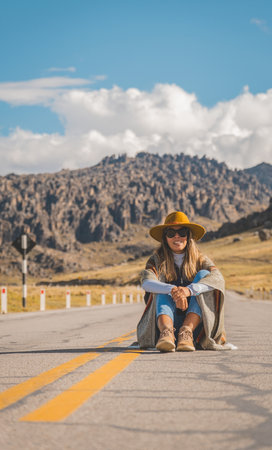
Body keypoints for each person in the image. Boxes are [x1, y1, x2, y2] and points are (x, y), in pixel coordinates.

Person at [137, 211, 229, 352]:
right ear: (165, 238)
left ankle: (186, 332)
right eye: (171, 233)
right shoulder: (156, 260)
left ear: (188, 236)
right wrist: (173, 290)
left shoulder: (200, 259)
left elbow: (218, 279)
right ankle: (166, 333)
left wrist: (188, 290)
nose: (177, 237)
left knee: (205, 275)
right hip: (165, 324)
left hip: (196, 327)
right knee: (160, 284)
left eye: (182, 232)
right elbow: (146, 282)